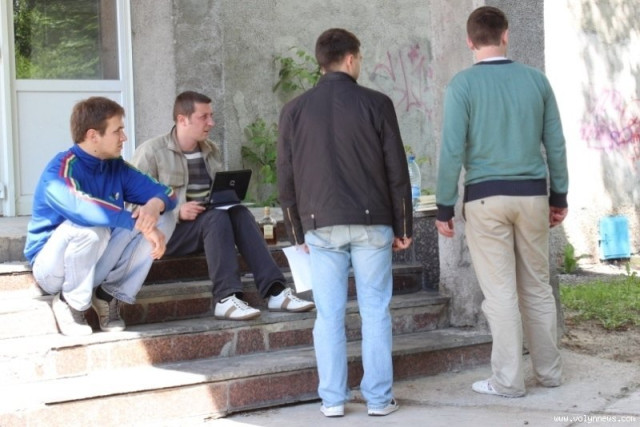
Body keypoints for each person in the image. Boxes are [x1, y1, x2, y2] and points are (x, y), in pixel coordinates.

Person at [277, 28, 412, 418]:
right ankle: (379, 400)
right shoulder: (377, 103)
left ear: (321, 61)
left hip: (320, 224)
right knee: (375, 311)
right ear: (351, 59)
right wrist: (404, 226)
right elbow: (396, 169)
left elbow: (286, 177)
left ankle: (333, 399)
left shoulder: (294, 110)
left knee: (328, 315)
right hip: (373, 223)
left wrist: (296, 230)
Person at [435, 6, 569, 398]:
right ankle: (549, 373)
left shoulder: (462, 85)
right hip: (532, 197)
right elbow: (555, 144)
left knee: (501, 294)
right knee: (537, 287)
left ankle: (509, 381)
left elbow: (451, 149)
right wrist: (559, 195)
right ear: (506, 35)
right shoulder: (537, 81)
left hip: (485, 199)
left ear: (469, 41)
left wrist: (444, 205)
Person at [132, 91, 314, 321]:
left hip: (206, 227)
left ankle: (276, 291)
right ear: (182, 119)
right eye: (204, 117)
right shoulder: (151, 152)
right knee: (216, 218)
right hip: (166, 233)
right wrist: (177, 212)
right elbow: (132, 205)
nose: (211, 122)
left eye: (211, 116)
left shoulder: (211, 149)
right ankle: (226, 298)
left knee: (239, 212)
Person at [24, 96, 177, 336]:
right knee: (91, 228)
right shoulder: (59, 170)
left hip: (95, 261)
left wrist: (153, 206)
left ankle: (107, 295)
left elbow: (167, 194)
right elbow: (84, 209)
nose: (124, 138)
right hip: (52, 270)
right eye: (118, 131)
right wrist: (140, 223)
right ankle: (69, 302)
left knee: (164, 216)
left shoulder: (116, 166)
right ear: (93, 135)